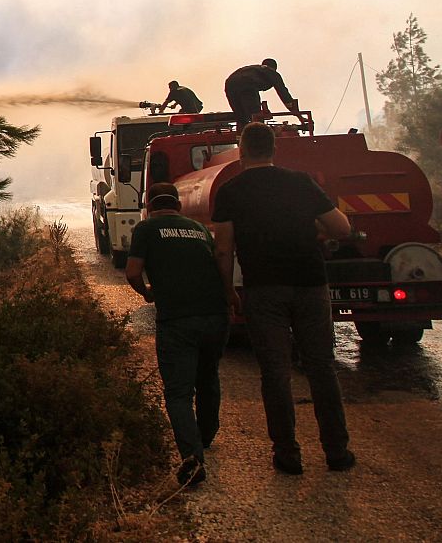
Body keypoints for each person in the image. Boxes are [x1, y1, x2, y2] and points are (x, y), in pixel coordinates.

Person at [211, 122, 355, 475]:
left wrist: (228, 290)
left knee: (275, 373)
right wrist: (313, 227)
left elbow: (223, 249)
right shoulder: (300, 182)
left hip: (263, 290)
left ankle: (287, 455)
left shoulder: (230, 191)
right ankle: (336, 452)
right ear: (274, 149)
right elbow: (342, 229)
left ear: (242, 152)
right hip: (310, 284)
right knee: (321, 367)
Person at [126, 182, 227, 487]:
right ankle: (206, 435)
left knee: (179, 392)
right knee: (208, 377)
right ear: (179, 206)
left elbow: (132, 272)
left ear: (150, 206)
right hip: (215, 316)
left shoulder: (146, 228)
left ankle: (193, 458)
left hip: (178, 320)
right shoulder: (197, 228)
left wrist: (145, 293)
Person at [223, 59, 298, 127]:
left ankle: (243, 135)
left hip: (230, 84)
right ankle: (259, 134)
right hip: (247, 83)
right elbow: (283, 92)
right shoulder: (271, 72)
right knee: (256, 116)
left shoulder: (253, 69)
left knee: (241, 117)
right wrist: (295, 112)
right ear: (274, 68)